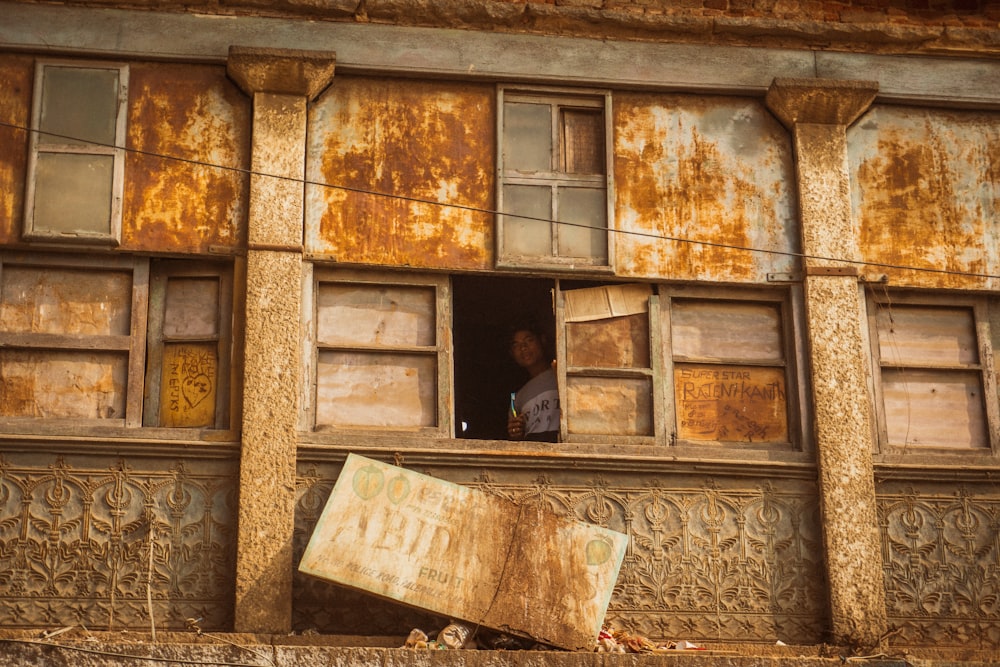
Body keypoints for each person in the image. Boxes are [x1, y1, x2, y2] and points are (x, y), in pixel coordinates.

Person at [506, 324, 560, 442]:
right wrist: (516, 432)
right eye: (516, 345)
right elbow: (517, 441)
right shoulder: (518, 397)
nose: (523, 348)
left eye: (529, 340)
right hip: (536, 454)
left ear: (542, 340)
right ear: (512, 353)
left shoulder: (560, 375)